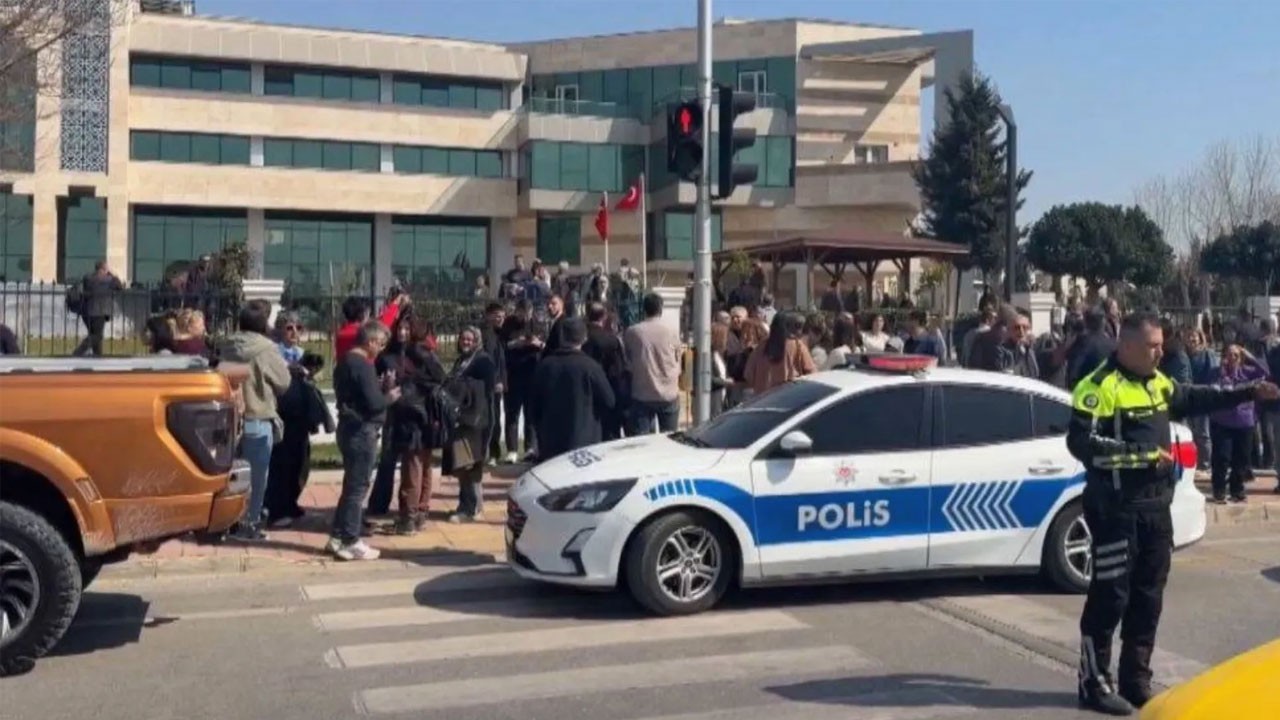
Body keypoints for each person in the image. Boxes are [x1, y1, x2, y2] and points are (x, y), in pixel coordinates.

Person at [1067, 312, 1279, 715]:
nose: (1160, 350)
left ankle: (1136, 678)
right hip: (1116, 509)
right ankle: (1093, 683)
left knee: (1149, 596)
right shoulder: (1098, 387)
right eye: (1152, 345)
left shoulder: (1158, 382)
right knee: (1110, 597)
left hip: (1154, 509)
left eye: (1161, 343)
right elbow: (1080, 442)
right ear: (1126, 346)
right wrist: (1143, 456)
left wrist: (1249, 391)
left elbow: (1197, 397)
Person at [218, 300, 292, 541]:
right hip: (258, 417)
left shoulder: (227, 345)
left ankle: (228, 520)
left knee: (230, 475)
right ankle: (249, 524)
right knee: (257, 477)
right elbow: (283, 382)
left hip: (229, 418)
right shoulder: (266, 349)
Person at [329, 320, 398, 560]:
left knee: (351, 486)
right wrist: (388, 394)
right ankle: (350, 539)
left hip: (349, 428)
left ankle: (338, 535)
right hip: (362, 430)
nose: (381, 348)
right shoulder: (363, 365)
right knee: (357, 489)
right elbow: (375, 403)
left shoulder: (346, 361)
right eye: (380, 343)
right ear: (370, 341)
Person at [388, 316, 448, 535]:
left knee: (413, 467)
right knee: (423, 466)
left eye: (407, 328)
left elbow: (418, 383)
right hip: (426, 417)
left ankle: (409, 516)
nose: (402, 333)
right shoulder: (427, 353)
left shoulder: (414, 354)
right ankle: (421, 512)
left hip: (413, 417)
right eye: (400, 328)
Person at [530, 317, 615, 460]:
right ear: (584, 338)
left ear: (561, 338)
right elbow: (609, 401)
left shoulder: (545, 366)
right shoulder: (591, 367)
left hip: (551, 443)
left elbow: (533, 407)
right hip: (585, 443)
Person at [443, 327, 497, 523]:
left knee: (470, 464)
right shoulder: (461, 361)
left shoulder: (483, 361)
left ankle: (471, 508)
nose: (465, 342)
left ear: (477, 341)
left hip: (475, 420)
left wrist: (461, 386)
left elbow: (488, 388)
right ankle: (467, 505)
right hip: (462, 419)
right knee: (462, 464)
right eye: (463, 338)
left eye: (469, 339)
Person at [1207, 344, 1268, 504]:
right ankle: (1219, 490)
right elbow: (1211, 389)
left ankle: (1237, 489)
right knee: (1222, 457)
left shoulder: (1247, 373)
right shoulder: (1217, 373)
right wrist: (1222, 372)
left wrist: (1250, 356)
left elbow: (1265, 372)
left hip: (1244, 422)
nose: (1232, 358)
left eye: (1236, 355)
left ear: (1240, 358)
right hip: (1222, 423)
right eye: (1229, 355)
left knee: (1241, 459)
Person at [622, 292, 682, 435]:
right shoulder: (671, 330)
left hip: (642, 393)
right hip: (668, 392)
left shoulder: (633, 332)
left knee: (642, 443)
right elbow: (678, 357)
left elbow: (627, 360)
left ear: (644, 309)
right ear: (660, 309)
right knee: (669, 440)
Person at [501, 299, 542, 462]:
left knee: (530, 413)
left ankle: (530, 447)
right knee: (512, 413)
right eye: (522, 314)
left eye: (528, 314)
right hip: (513, 373)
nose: (525, 318)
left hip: (531, 373)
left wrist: (536, 342)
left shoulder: (536, 324)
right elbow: (502, 346)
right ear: (517, 311)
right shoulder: (508, 324)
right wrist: (515, 343)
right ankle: (512, 450)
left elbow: (544, 344)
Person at [582, 301, 628, 441]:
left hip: (583, 393)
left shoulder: (579, 338)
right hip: (607, 393)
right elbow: (618, 373)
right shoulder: (611, 340)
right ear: (604, 317)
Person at [744, 311, 816, 395]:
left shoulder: (760, 347)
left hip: (762, 400)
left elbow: (748, 375)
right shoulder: (797, 346)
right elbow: (812, 374)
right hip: (789, 399)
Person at [334, 292, 405, 363]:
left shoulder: (340, 333)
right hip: (363, 371)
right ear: (363, 314)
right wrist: (395, 305)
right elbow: (382, 323)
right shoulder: (362, 333)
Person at [72, 260, 123, 357]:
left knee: (94, 334)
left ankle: (98, 355)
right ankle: (78, 352)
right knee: (97, 336)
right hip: (99, 312)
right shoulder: (108, 280)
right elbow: (119, 286)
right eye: (106, 269)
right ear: (103, 269)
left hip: (86, 311)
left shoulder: (88, 278)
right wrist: (113, 274)